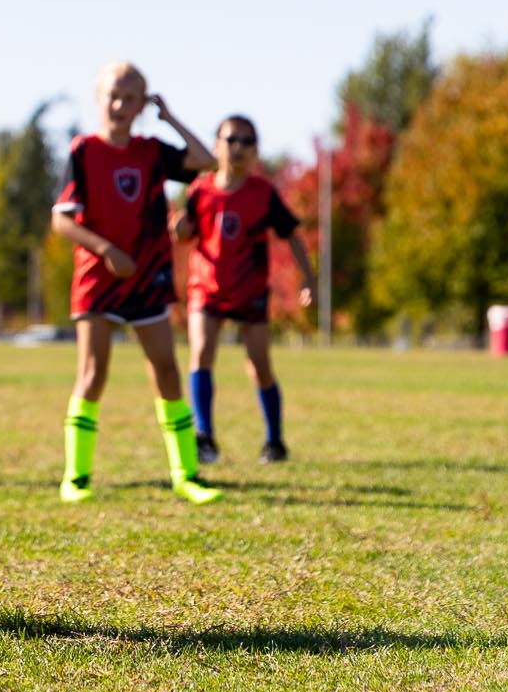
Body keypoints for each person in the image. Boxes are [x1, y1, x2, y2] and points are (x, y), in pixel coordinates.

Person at [51, 62, 220, 504]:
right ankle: (77, 477)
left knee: (166, 370)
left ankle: (186, 475)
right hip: (98, 280)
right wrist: (106, 250)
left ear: (142, 104)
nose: (120, 105)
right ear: (98, 98)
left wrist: (170, 118)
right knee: (93, 373)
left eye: (131, 98)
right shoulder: (83, 151)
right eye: (113, 95)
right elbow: (61, 220)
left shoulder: (151, 151)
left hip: (146, 278)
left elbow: (207, 160)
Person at [175, 115, 316, 465]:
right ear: (217, 145)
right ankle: (204, 436)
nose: (238, 147)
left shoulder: (263, 194)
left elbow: (292, 236)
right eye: (231, 139)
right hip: (206, 287)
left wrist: (308, 278)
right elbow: (185, 232)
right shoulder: (200, 191)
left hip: (250, 288)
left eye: (246, 141)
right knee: (202, 352)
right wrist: (179, 228)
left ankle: (274, 441)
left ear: (256, 151)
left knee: (259, 365)